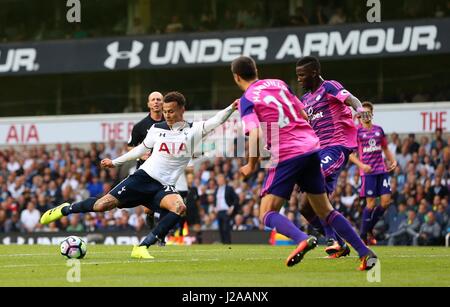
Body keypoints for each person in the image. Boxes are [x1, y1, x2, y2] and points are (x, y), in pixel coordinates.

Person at [40, 91, 237, 259]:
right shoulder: (156, 129)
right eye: (165, 112)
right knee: (102, 205)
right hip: (142, 178)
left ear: (182, 110)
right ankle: (66, 209)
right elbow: (139, 149)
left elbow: (217, 119)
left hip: (163, 186)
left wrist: (232, 107)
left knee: (179, 208)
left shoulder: (195, 130)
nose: (167, 115)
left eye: (171, 111)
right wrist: (115, 161)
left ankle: (142, 247)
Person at [232, 55, 376, 270]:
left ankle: (302, 238)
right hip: (311, 147)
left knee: (266, 212)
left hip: (289, 152)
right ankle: (365, 254)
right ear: (256, 71)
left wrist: (251, 164)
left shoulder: (247, 99)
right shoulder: (279, 84)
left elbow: (254, 134)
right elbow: (303, 115)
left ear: (236, 77)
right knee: (323, 209)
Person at [295, 56, 371, 258]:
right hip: (316, 152)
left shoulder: (329, 86)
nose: (299, 79)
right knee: (303, 206)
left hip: (336, 146)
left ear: (313, 73)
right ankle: (339, 242)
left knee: (315, 180)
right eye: (297, 75)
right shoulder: (305, 100)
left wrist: (361, 110)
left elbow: (351, 98)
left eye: (302, 75)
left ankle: (333, 239)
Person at [349, 101, 397, 244]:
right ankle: (364, 235)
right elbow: (350, 154)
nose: (365, 115)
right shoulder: (357, 132)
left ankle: (368, 229)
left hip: (381, 170)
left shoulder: (379, 130)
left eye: (367, 113)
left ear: (372, 114)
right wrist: (362, 165)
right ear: (359, 115)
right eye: (362, 113)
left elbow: (385, 148)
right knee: (370, 205)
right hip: (367, 173)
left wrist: (392, 160)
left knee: (386, 202)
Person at [214, 174, 239, 244]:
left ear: (224, 180)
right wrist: (214, 207)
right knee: (220, 229)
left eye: (220, 179)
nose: (219, 181)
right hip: (219, 212)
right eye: (218, 180)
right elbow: (215, 200)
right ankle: (223, 243)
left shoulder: (229, 188)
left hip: (226, 211)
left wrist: (232, 207)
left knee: (226, 228)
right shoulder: (216, 189)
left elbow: (236, 198)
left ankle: (228, 243)